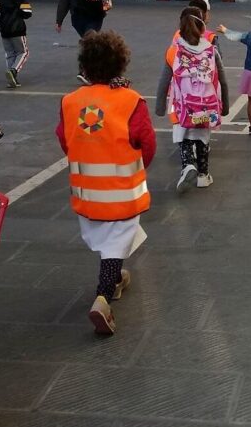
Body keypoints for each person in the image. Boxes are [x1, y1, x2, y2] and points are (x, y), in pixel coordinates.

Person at [55, 31, 156, 335]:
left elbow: (64, 139)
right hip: (123, 192)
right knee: (116, 242)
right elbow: (147, 143)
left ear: (84, 67)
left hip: (87, 196)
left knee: (108, 241)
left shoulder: (70, 102)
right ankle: (103, 296)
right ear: (120, 65)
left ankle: (116, 278)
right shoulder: (131, 101)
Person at [156, 6, 229, 192]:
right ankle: (204, 175)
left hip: (183, 105)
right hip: (207, 106)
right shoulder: (211, 50)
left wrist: (159, 107)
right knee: (203, 137)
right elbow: (222, 79)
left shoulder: (173, 51)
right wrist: (225, 106)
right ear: (202, 28)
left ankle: (188, 164)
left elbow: (164, 81)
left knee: (183, 134)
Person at [56, 0, 109, 84]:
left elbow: (64, 1)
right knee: (90, 43)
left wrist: (59, 20)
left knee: (88, 41)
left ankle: (89, 71)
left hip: (77, 18)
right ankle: (85, 71)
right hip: (94, 15)